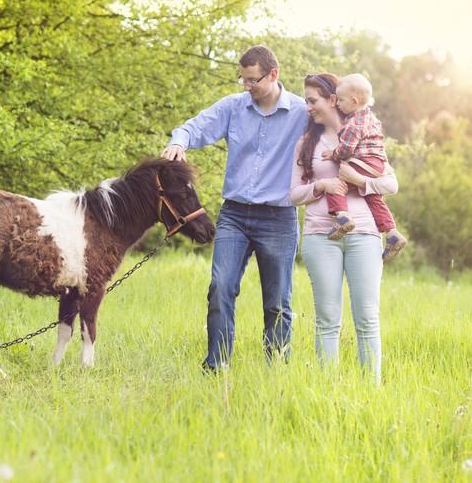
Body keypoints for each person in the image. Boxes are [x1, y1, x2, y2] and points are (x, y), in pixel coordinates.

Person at [162, 45, 308, 371]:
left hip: (279, 218)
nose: (246, 87)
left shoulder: (300, 112)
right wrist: (178, 142)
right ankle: (218, 366)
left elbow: (333, 125)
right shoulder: (234, 106)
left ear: (274, 75)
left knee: (278, 301)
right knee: (220, 288)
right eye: (242, 79)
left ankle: (278, 368)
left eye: (252, 81)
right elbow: (194, 127)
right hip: (235, 215)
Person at [290, 73, 400, 384]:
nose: (308, 107)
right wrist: (321, 186)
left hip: (364, 235)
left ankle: (371, 390)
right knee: (327, 320)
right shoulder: (306, 143)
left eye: (313, 100)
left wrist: (359, 181)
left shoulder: (363, 135)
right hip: (320, 236)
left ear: (332, 100)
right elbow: (293, 194)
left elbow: (391, 183)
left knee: (367, 317)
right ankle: (327, 388)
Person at [320, 73, 407, 261]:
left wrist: (333, 154)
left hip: (362, 163)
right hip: (378, 164)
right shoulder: (371, 117)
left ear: (354, 100)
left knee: (336, 186)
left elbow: (345, 150)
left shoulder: (353, 124)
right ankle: (392, 234)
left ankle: (343, 218)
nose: (338, 104)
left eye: (341, 100)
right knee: (373, 197)